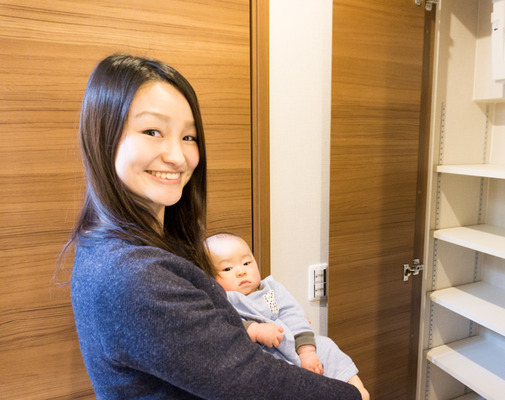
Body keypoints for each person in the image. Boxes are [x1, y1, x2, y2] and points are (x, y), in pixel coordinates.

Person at [63, 54, 366, 399]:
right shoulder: (133, 277)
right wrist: (352, 395)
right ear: (103, 136)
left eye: (189, 137)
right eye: (152, 132)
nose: (177, 156)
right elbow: (250, 380)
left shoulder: (112, 244)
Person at [205, 232, 369, 398]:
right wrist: (254, 330)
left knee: (325, 345)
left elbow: (292, 313)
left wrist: (306, 351)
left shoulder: (271, 289)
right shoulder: (223, 300)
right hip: (266, 355)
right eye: (227, 268)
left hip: (292, 341)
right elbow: (224, 327)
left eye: (247, 263)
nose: (241, 271)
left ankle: (356, 388)